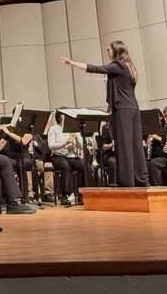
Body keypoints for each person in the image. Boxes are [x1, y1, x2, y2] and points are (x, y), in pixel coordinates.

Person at [61, 42, 150, 187]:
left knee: (123, 144)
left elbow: (95, 68)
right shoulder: (128, 66)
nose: (107, 51)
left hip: (123, 109)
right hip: (133, 108)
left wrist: (72, 62)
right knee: (135, 145)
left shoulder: (117, 66)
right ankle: (141, 179)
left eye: (109, 49)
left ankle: (126, 181)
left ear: (116, 51)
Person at [47, 110, 85, 205]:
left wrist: (77, 137)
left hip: (71, 156)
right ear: (60, 117)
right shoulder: (54, 129)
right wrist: (65, 143)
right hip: (58, 156)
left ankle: (82, 193)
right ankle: (65, 195)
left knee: (84, 166)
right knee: (65, 166)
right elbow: (51, 146)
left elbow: (81, 147)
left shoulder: (73, 128)